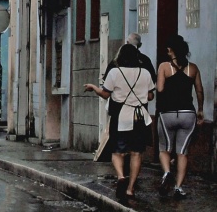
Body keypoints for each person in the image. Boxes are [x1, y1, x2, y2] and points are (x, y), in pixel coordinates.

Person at [85, 43, 154, 202]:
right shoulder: (145, 73)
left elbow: (105, 94)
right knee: (137, 153)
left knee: (118, 152)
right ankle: (130, 189)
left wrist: (94, 87)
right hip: (140, 118)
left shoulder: (115, 72)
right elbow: (150, 96)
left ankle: (121, 176)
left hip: (122, 117)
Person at [156, 35, 204, 199]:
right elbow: (199, 90)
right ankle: (178, 188)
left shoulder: (164, 66)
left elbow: (160, 89)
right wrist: (200, 110)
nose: (167, 50)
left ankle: (167, 172)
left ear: (173, 49)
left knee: (164, 149)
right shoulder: (193, 68)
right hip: (187, 114)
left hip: (167, 113)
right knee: (182, 152)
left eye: (169, 48)